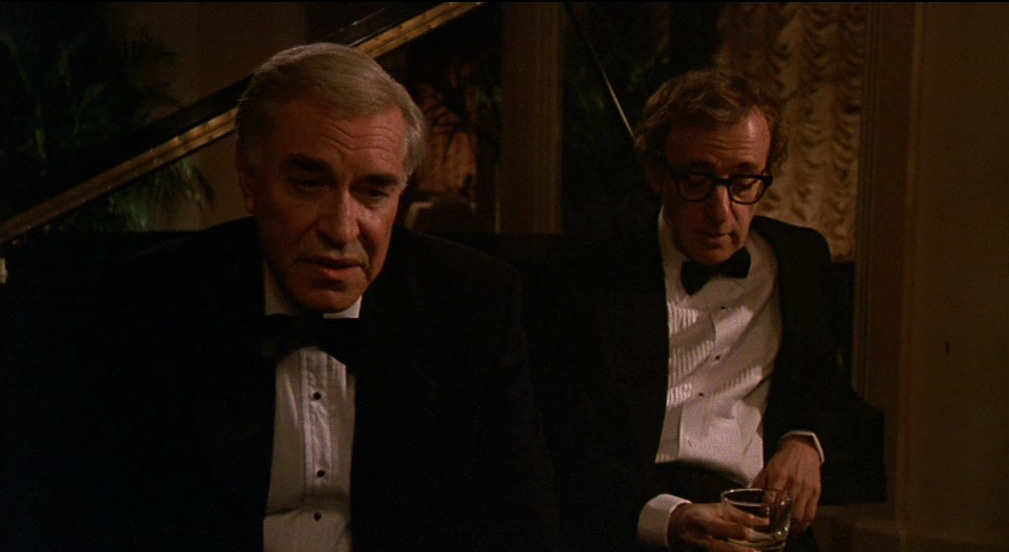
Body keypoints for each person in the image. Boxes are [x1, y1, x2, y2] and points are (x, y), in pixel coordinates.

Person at [3, 42, 562, 552]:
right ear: (250, 180)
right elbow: (86, 520)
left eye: (374, 191)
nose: (341, 229)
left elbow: (520, 523)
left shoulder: (474, 302)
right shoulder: (145, 305)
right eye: (308, 184)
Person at [531, 69, 885, 552]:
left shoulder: (800, 259)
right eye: (697, 181)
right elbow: (562, 442)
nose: (721, 211)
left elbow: (826, 386)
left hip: (760, 521)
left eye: (744, 181)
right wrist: (669, 518)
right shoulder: (587, 279)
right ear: (657, 174)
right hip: (636, 519)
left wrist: (806, 441)